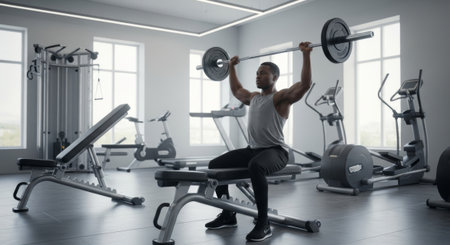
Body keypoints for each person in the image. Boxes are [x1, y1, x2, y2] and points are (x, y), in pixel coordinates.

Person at [204, 42, 313, 242]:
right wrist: (231, 67)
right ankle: (228, 214)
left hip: (276, 152)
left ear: (275, 77)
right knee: (215, 164)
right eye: (257, 73)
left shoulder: (281, 98)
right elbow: (237, 90)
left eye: (263, 73)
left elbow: (304, 85)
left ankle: (264, 223)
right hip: (253, 150)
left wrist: (306, 55)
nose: (258, 76)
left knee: (256, 166)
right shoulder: (253, 97)